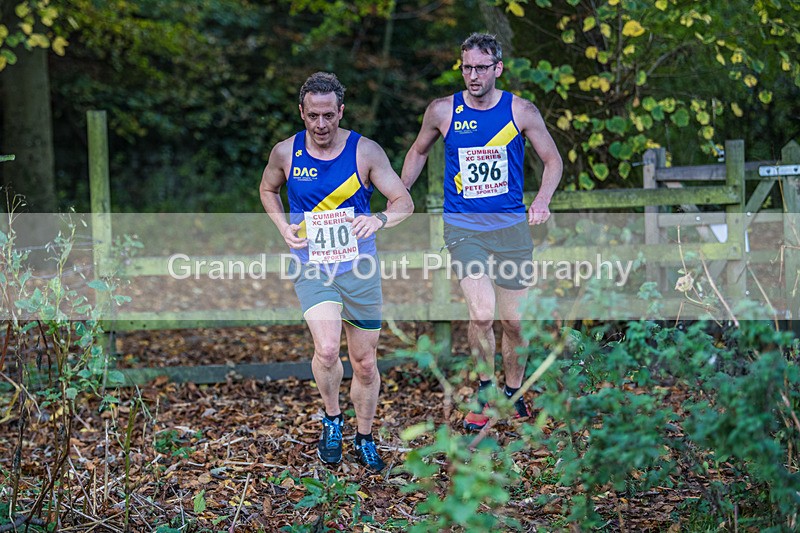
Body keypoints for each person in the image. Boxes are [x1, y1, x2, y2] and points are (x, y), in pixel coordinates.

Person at [400, 33, 562, 431]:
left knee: (515, 322)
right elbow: (419, 151)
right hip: (463, 228)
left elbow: (552, 160)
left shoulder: (520, 111)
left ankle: (514, 392)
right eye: (467, 67)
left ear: (498, 69)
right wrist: (399, 193)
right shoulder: (443, 111)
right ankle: (487, 391)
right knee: (482, 313)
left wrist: (541, 200)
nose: (472, 75)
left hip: (511, 228)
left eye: (481, 68)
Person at [260, 72, 413, 471]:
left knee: (364, 362)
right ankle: (332, 418)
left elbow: (403, 202)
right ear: (302, 113)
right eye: (313, 116)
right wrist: (282, 227)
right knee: (327, 349)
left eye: (329, 115)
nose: (322, 124)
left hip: (359, 268)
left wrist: (378, 219)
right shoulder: (285, 152)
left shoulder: (365, 152)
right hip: (313, 266)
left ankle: (364, 435)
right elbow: (267, 189)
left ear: (341, 111)